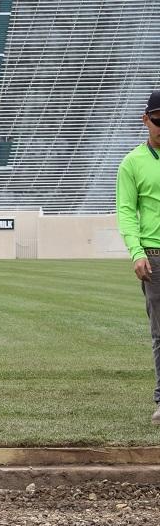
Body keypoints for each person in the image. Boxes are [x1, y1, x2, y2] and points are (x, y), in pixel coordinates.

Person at [117, 90, 160, 424]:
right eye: (158, 119)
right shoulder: (132, 163)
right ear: (145, 119)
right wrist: (137, 252)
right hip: (155, 256)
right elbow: (126, 212)